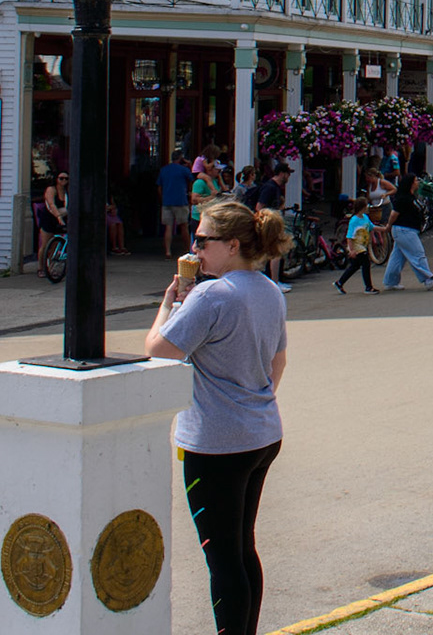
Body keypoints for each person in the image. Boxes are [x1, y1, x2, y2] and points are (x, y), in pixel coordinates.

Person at [146, 199, 290, 635]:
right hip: (261, 432)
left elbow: (158, 349)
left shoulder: (212, 293)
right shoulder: (266, 288)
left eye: (203, 240)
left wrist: (169, 304)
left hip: (215, 442)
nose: (194, 248)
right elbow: (277, 363)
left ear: (231, 245)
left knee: (222, 557)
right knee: (242, 549)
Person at [382, 168, 433, 291]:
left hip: (407, 230)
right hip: (404, 230)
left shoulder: (411, 196)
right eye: (415, 181)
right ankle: (427, 279)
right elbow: (394, 214)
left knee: (397, 257)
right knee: (417, 254)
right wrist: (388, 225)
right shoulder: (403, 198)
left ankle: (391, 281)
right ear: (410, 183)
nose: (418, 183)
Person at [250, 165, 293, 294]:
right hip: (269, 225)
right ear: (282, 174)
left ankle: (274, 281)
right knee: (275, 252)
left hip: (272, 223)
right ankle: (274, 282)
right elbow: (259, 207)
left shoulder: (275, 187)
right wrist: (266, 221)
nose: (288, 177)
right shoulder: (269, 187)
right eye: (287, 174)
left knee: (272, 253)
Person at [333, 200, 378, 294]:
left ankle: (340, 282)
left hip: (362, 244)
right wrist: (351, 250)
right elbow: (349, 236)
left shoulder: (365, 217)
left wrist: (384, 229)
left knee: (355, 266)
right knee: (366, 264)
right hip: (357, 246)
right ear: (362, 207)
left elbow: (371, 227)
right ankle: (368, 287)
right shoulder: (354, 220)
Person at [158, 150, 194, 257]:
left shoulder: (164, 170)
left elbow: (159, 187)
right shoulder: (184, 170)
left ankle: (168, 251)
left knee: (168, 227)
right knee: (184, 226)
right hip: (180, 200)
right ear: (181, 158)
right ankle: (187, 250)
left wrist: (162, 199)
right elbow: (192, 179)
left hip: (167, 201)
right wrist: (190, 165)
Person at [36, 174, 68, 279]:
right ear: (56, 179)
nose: (64, 180)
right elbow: (51, 204)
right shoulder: (51, 189)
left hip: (61, 219)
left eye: (66, 178)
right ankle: (41, 268)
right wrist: (58, 217)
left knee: (55, 245)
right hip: (49, 218)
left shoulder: (67, 192)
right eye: (61, 178)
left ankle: (50, 268)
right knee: (45, 245)